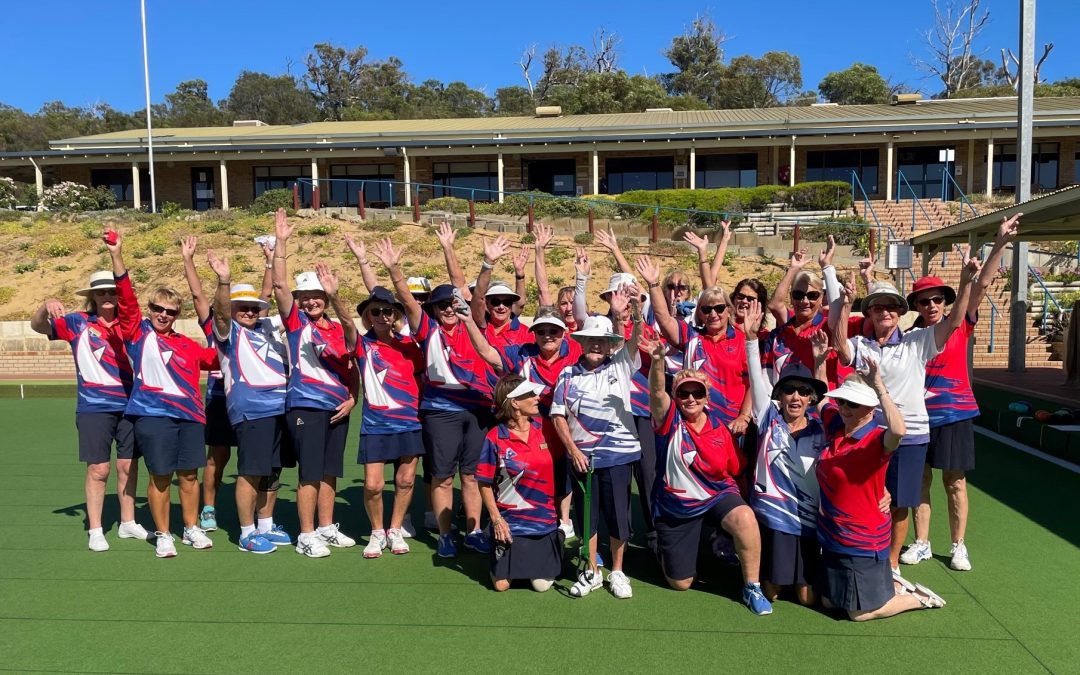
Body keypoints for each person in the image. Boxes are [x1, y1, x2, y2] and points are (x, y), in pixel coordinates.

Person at [829, 254, 979, 574]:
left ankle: (892, 563)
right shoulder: (862, 346)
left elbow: (953, 323)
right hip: (870, 436)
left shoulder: (917, 341)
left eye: (891, 307)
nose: (885, 311)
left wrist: (966, 281)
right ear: (869, 311)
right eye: (877, 306)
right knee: (868, 498)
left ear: (900, 313)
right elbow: (840, 344)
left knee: (898, 504)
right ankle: (866, 552)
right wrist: (843, 303)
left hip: (910, 436)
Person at [903, 214, 1020, 572]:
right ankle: (922, 542)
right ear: (917, 307)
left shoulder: (961, 324)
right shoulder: (911, 338)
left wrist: (999, 242)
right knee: (920, 479)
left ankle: (958, 546)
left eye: (937, 299)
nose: (932, 306)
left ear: (945, 301)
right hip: (919, 417)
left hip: (955, 414)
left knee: (954, 481)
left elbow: (982, 283)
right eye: (924, 302)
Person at [371, 237, 495, 559]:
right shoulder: (426, 328)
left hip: (478, 408)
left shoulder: (474, 322)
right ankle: (445, 534)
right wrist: (393, 270)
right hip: (440, 410)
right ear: (434, 310)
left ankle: (475, 531)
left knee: (472, 474)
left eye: (453, 304)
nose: (449, 310)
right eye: (442, 306)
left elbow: (475, 292)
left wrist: (485, 263)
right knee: (441, 476)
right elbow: (407, 300)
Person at [107, 230, 219, 558]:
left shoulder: (187, 345)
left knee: (189, 475)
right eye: (158, 308)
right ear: (150, 308)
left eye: (170, 311)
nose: (163, 315)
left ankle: (191, 527)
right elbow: (125, 298)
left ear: (177, 315)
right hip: (153, 416)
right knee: (160, 476)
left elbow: (218, 356)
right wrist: (117, 254)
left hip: (191, 418)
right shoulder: (137, 333)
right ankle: (164, 533)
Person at [647, 338, 773, 615]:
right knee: (681, 583)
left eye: (697, 393)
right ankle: (660, 544)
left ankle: (752, 586)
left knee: (745, 517)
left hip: (716, 494)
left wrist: (744, 504)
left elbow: (735, 470)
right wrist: (657, 362)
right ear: (676, 396)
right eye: (684, 393)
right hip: (676, 507)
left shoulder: (719, 425)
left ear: (707, 396)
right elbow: (657, 394)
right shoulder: (669, 420)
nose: (690, 398)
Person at [815, 360, 946, 620]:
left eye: (852, 404)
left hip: (862, 538)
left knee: (859, 615)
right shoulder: (836, 427)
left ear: (871, 408)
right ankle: (893, 586)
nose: (844, 408)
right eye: (842, 402)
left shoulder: (877, 438)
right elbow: (821, 400)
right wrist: (819, 360)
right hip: (832, 536)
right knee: (829, 603)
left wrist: (879, 388)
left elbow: (899, 430)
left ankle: (917, 598)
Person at [30, 269, 148, 551]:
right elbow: (38, 326)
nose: (107, 296)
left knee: (127, 466)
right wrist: (45, 305)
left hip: (131, 405)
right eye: (101, 292)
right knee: (98, 468)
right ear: (92, 297)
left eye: (112, 291)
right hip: (93, 406)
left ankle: (128, 522)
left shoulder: (133, 325)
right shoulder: (75, 323)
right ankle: (95, 529)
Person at [271, 209, 358, 558]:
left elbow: (353, 348)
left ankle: (325, 527)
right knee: (309, 473)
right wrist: (281, 243)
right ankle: (306, 534)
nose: (311, 301)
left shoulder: (337, 327)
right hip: (306, 406)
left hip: (338, 408)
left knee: (329, 473)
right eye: (305, 296)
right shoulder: (296, 323)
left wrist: (353, 398)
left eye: (317, 295)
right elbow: (278, 286)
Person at [552, 290, 643, 599]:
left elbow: (634, 340)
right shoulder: (567, 374)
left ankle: (617, 571)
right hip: (583, 459)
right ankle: (591, 570)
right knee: (586, 518)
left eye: (601, 340)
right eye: (590, 339)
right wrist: (573, 451)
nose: (595, 344)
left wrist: (628, 315)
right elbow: (558, 416)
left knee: (618, 517)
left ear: (609, 346)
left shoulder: (620, 365)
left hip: (618, 456)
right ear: (580, 342)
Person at [205, 250, 292, 554]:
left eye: (254, 308)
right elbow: (218, 313)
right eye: (242, 307)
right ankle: (246, 532)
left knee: (272, 470)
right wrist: (224, 281)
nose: (249, 312)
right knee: (251, 470)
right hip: (251, 410)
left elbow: (268, 293)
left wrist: (270, 261)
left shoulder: (266, 327)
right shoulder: (228, 332)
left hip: (280, 407)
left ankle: (266, 524)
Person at [743, 299, 829, 605]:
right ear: (778, 395)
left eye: (804, 392)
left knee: (807, 598)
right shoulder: (768, 417)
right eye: (789, 390)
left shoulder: (821, 427)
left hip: (807, 520)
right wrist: (751, 339)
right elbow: (756, 378)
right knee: (773, 593)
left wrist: (820, 362)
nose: (796, 396)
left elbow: (828, 397)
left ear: (811, 399)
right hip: (774, 517)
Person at [637, 256, 751, 432]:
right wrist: (653, 284)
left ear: (729, 310)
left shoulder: (742, 340)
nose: (713, 314)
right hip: (693, 425)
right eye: (706, 309)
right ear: (700, 314)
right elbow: (665, 319)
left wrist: (744, 417)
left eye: (719, 308)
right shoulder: (692, 336)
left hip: (732, 426)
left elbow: (753, 384)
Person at [352, 286, 424, 558]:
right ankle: (376, 532)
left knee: (405, 481)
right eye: (376, 312)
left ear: (395, 315)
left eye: (388, 311)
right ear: (368, 317)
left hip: (408, 422)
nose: (382, 316)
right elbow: (347, 324)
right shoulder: (362, 344)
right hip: (376, 425)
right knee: (373, 485)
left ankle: (394, 530)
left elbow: (419, 379)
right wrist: (334, 296)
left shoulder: (409, 345)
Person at [477, 375, 565, 592]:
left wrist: (565, 518)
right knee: (501, 585)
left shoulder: (547, 428)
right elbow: (484, 482)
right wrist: (496, 520)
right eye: (530, 395)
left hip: (543, 523)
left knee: (542, 585)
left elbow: (564, 473)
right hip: (510, 524)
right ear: (515, 402)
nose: (537, 398)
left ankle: (557, 539)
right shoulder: (495, 437)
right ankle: (497, 544)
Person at [764, 239, 860, 389]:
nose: (804, 301)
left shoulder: (827, 327)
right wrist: (793, 269)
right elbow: (774, 304)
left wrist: (827, 266)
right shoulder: (784, 328)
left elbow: (836, 312)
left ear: (822, 298)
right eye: (798, 294)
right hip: (787, 407)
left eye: (812, 295)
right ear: (791, 297)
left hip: (820, 408)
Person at [471, 235, 532, 351]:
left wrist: (520, 275)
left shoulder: (526, 333)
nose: (501, 306)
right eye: (495, 302)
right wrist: (488, 263)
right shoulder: (480, 324)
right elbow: (478, 297)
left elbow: (520, 303)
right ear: (487, 304)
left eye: (507, 302)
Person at [533, 222, 579, 332]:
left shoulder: (589, 326)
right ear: (558, 307)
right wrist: (539, 250)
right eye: (563, 304)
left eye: (573, 303)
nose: (569, 308)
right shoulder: (556, 326)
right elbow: (543, 290)